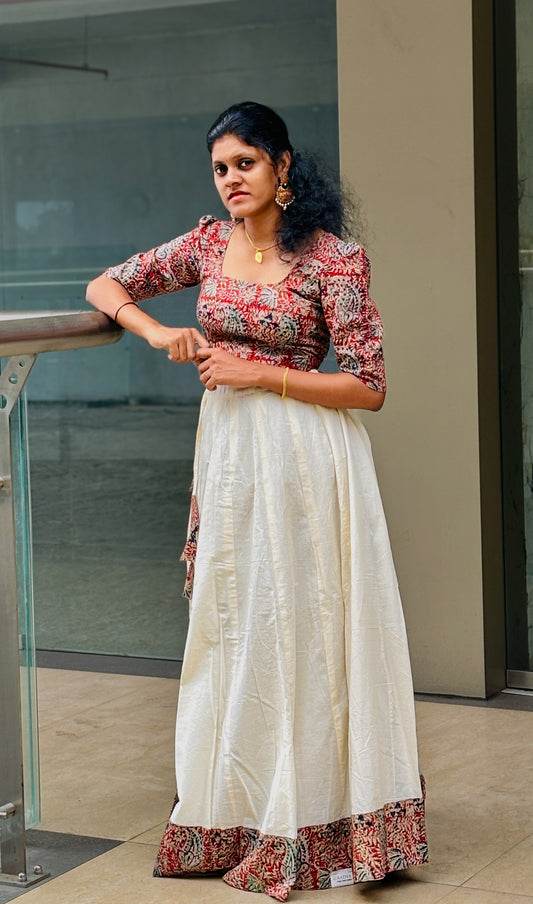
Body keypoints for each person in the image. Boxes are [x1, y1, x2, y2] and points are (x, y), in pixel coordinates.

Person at [86, 101, 428, 901]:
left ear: (282, 166)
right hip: (232, 465)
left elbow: (368, 387)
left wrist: (256, 373)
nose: (230, 179)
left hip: (310, 462)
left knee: (307, 627)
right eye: (219, 167)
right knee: (237, 625)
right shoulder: (207, 244)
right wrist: (153, 332)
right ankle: (238, 810)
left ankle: (318, 818)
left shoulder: (333, 259)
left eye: (244, 163)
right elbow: (106, 284)